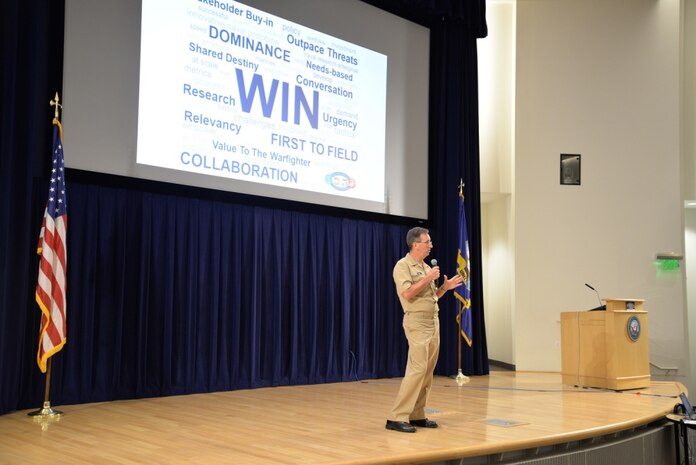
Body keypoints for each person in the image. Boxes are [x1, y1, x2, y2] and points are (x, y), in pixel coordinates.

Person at [385, 227, 463, 433]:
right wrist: (428, 279)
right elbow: (408, 293)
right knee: (417, 370)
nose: (431, 245)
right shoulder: (403, 266)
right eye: (427, 242)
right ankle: (396, 417)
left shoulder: (426, 267)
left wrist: (444, 288)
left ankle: (417, 415)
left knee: (427, 372)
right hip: (417, 322)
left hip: (433, 321)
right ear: (415, 244)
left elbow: (432, 297)